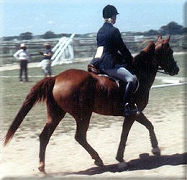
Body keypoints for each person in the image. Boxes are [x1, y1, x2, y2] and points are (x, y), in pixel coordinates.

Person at [90, 5, 139, 117]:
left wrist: (95, 62)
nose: (116, 18)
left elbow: (101, 49)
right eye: (115, 15)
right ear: (112, 16)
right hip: (110, 64)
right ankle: (126, 106)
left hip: (99, 62)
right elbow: (122, 48)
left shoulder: (100, 31)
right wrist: (130, 59)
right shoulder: (114, 30)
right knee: (131, 79)